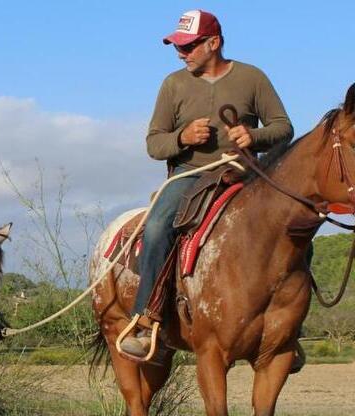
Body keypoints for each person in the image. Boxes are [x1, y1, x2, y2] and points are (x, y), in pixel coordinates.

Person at [120, 9, 294, 360]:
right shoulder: (173, 84)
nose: (180, 53)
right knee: (155, 228)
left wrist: (254, 135)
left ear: (213, 43)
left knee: (294, 226)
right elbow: (155, 144)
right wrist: (182, 136)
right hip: (190, 175)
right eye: (178, 47)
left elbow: (284, 128)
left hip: (244, 176)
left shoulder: (252, 77)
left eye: (188, 46)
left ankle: (290, 327)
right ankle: (145, 318)